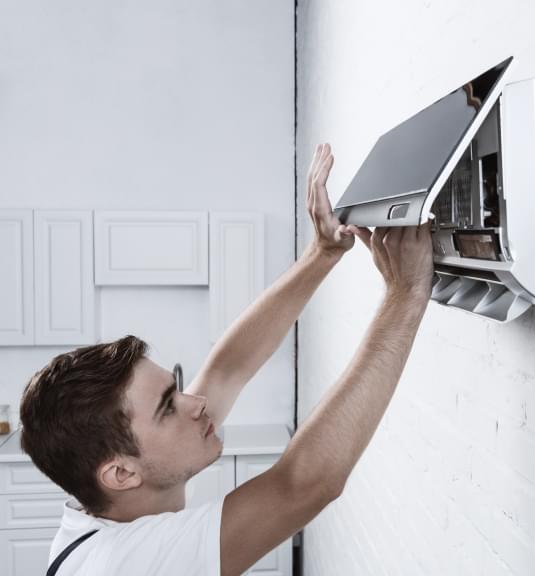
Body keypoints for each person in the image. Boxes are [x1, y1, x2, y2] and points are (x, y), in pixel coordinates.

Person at [19, 142, 433, 576]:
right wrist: (405, 294)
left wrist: (322, 253)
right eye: (167, 407)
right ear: (121, 474)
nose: (197, 402)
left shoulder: (115, 503)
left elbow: (228, 369)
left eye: (176, 392)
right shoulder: (120, 565)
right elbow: (305, 484)